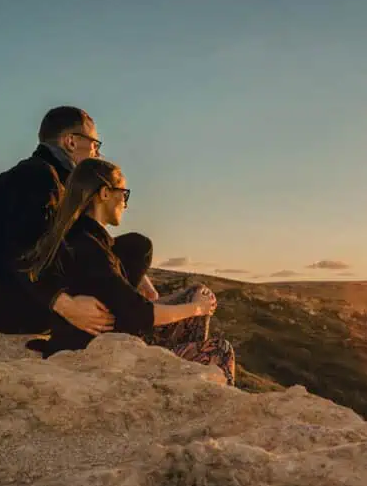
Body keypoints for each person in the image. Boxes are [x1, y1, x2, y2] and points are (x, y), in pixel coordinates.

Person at [22, 157, 237, 386]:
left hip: (101, 335)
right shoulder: (90, 248)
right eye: (123, 194)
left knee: (196, 290)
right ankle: (191, 385)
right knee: (221, 349)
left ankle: (188, 377)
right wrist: (196, 309)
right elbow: (139, 313)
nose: (125, 203)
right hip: (98, 352)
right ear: (105, 194)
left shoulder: (78, 237)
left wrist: (144, 283)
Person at [0, 106, 159, 336]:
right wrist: (68, 306)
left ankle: (126, 318)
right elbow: (22, 253)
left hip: (23, 298)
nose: (97, 153)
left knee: (133, 248)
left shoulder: (58, 180)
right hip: (16, 307)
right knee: (136, 247)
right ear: (70, 141)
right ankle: (119, 324)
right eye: (94, 144)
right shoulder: (37, 176)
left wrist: (137, 279)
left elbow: (88, 238)